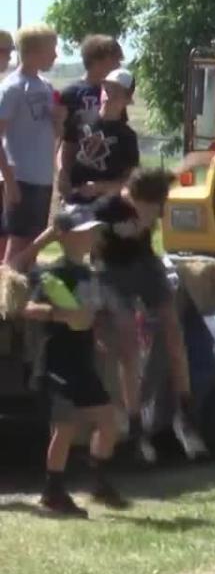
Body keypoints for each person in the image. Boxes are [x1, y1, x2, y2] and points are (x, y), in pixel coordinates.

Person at [92, 169, 208, 463]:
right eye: (152, 210)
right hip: (111, 271)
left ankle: (186, 416)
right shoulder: (108, 208)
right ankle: (135, 427)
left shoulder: (152, 204)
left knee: (173, 330)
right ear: (135, 197)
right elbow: (62, 227)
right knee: (129, 346)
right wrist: (27, 254)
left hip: (145, 264)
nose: (155, 218)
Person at [26, 205, 129, 518]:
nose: (91, 236)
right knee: (65, 426)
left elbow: (89, 313)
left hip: (82, 361)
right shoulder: (54, 273)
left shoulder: (88, 273)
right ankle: (53, 492)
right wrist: (62, 315)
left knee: (108, 421)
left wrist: (94, 334)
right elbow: (29, 309)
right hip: (57, 361)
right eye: (84, 232)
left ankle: (98, 480)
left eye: (93, 231)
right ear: (66, 236)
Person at [0, 24, 63, 266]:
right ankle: (7, 297)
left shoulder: (46, 87)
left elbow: (54, 133)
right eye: (52, 49)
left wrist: (60, 120)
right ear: (35, 51)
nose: (56, 55)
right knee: (17, 245)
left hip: (42, 178)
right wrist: (10, 181)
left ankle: (22, 296)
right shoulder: (12, 88)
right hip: (21, 178)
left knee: (33, 244)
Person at [59, 36, 127, 201]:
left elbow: (121, 137)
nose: (118, 66)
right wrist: (63, 173)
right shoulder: (71, 93)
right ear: (97, 60)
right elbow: (65, 141)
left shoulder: (114, 93)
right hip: (80, 178)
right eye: (115, 60)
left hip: (109, 180)